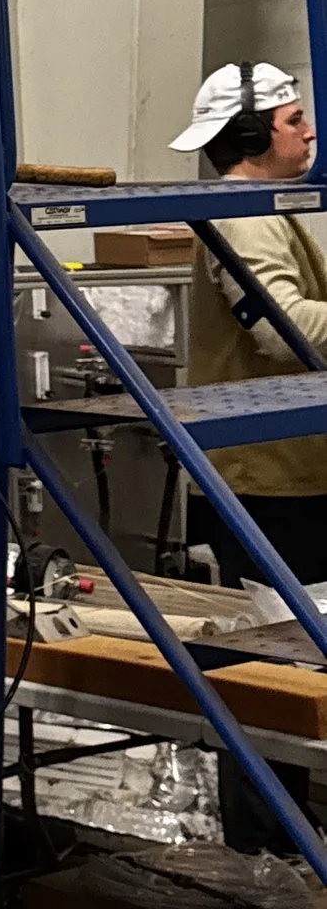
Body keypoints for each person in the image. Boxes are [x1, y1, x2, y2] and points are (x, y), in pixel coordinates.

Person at [175, 62, 327, 593]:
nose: (310, 132)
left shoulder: (265, 209)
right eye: (295, 120)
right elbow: (282, 330)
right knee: (291, 647)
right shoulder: (242, 215)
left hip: (284, 470)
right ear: (251, 135)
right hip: (267, 479)